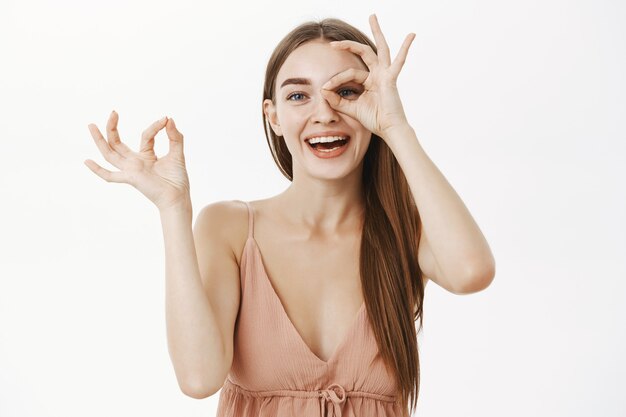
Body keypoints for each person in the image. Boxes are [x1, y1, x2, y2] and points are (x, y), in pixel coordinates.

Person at [85, 14, 495, 417]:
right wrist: (173, 209)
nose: (325, 113)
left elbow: (472, 271)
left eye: (347, 92)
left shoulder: (406, 228)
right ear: (274, 116)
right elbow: (198, 378)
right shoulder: (228, 229)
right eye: (299, 96)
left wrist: (395, 127)